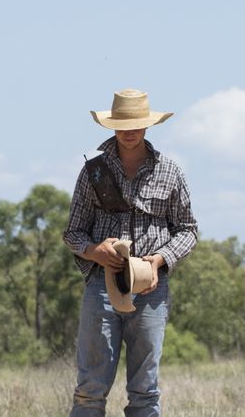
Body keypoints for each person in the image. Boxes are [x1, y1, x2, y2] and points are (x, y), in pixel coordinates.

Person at [63, 88, 199, 417]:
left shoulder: (170, 171)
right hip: (101, 286)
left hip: (151, 288)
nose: (129, 131)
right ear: (112, 126)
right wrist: (96, 251)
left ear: (148, 126)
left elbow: (188, 230)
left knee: (145, 389)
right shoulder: (93, 172)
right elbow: (72, 233)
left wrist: (159, 260)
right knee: (90, 388)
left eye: (136, 124)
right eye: (122, 124)